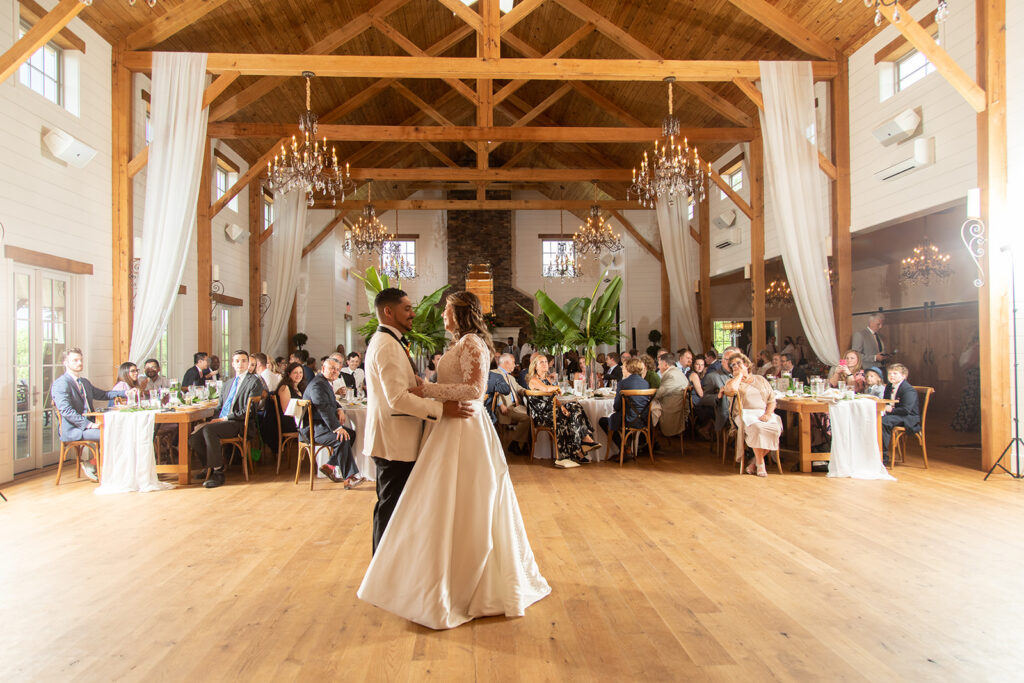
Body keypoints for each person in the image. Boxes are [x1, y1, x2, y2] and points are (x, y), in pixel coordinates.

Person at [358, 290, 550, 630]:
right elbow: (428, 389)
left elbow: (476, 391)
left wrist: (427, 390)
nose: (438, 315)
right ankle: (405, 575)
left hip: (464, 425)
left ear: (459, 314)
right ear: (388, 312)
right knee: (429, 502)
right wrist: (428, 387)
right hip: (443, 426)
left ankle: (441, 576)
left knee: (462, 499)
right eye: (408, 308)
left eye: (446, 310)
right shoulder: (409, 343)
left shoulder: (473, 343)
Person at [362, 287, 474, 554]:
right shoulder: (387, 345)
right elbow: (397, 399)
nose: (413, 313)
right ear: (388, 312)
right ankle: (383, 569)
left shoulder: (391, 341)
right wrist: (440, 410)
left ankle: (392, 565)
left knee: (397, 506)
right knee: (390, 508)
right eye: (407, 308)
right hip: (394, 441)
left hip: (399, 438)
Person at [187, 349, 264, 489]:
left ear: (248, 364)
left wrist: (223, 420)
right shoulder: (227, 383)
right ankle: (209, 466)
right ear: (232, 364)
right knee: (193, 438)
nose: (240, 364)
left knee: (209, 430)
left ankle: (217, 471)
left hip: (239, 422)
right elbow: (219, 407)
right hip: (222, 421)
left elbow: (248, 411)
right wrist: (213, 419)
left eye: (243, 361)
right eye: (237, 361)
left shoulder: (254, 382)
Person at [51, 348, 126, 481]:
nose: (79, 363)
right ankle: (93, 465)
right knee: (110, 434)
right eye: (75, 360)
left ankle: (107, 469)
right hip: (74, 429)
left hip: (89, 424)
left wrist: (125, 393)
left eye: (81, 360)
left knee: (120, 431)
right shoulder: (61, 384)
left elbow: (103, 394)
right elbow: (66, 411)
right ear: (65, 363)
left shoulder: (84, 382)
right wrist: (89, 425)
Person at [525, 353, 602, 468]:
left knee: (574, 406)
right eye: (542, 362)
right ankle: (579, 448)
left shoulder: (547, 379)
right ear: (535, 366)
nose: (545, 364)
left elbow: (554, 398)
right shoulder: (533, 380)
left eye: (546, 362)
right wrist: (556, 387)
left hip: (552, 410)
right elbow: (546, 389)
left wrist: (561, 407)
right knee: (567, 417)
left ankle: (583, 442)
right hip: (543, 415)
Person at [302, 357, 363, 487]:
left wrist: (339, 409)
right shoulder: (317, 385)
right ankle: (350, 477)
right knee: (342, 437)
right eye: (331, 369)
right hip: (314, 428)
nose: (335, 372)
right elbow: (323, 407)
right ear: (323, 368)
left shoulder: (325, 382)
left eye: (337, 369)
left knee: (350, 434)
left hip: (322, 425)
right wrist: (337, 428)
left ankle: (330, 466)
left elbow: (332, 401)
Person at [723, 353, 783, 477]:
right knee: (757, 429)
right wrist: (739, 376)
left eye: (738, 363)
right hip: (744, 415)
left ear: (746, 364)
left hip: (763, 413)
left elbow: (772, 400)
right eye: (732, 365)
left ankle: (753, 462)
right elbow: (731, 391)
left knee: (775, 428)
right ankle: (761, 464)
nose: (735, 366)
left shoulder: (760, 379)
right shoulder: (731, 382)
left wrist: (767, 414)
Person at [599, 357, 651, 455]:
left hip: (627, 420)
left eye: (623, 367)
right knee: (623, 417)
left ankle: (624, 447)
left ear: (628, 368)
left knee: (602, 421)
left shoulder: (623, 383)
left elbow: (616, 406)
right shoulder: (645, 383)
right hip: (643, 420)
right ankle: (627, 446)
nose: (622, 369)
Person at [882, 363, 921, 464]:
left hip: (907, 417)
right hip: (894, 415)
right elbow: (886, 402)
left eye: (895, 373)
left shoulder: (908, 390)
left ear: (903, 376)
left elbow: (906, 410)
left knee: (883, 422)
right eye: (889, 373)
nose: (891, 375)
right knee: (873, 419)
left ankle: (883, 456)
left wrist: (890, 410)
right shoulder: (889, 386)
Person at [493, 352, 531, 454]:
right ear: (506, 362)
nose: (515, 365)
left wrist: (529, 392)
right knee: (527, 418)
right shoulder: (494, 374)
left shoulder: (510, 377)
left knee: (534, 416)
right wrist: (500, 405)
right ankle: (515, 443)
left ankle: (525, 446)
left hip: (516, 406)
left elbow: (519, 388)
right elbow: (493, 392)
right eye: (513, 362)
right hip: (507, 408)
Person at [655, 352, 689, 438]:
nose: (658, 367)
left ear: (665, 364)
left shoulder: (670, 375)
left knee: (649, 409)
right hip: (678, 405)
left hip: (672, 409)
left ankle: (648, 440)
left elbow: (658, 394)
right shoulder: (678, 372)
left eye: (659, 364)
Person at [952, 334, 981, 432]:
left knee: (970, 399)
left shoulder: (977, 347)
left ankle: (965, 425)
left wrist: (963, 368)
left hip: (973, 374)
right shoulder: (974, 347)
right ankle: (965, 425)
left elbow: (972, 362)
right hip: (971, 374)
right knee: (969, 398)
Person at [276, 362, 307, 436]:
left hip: (299, 419)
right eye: (295, 373)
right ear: (288, 374)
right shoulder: (285, 387)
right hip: (290, 422)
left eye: (300, 372)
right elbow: (286, 410)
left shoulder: (300, 387)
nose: (298, 375)